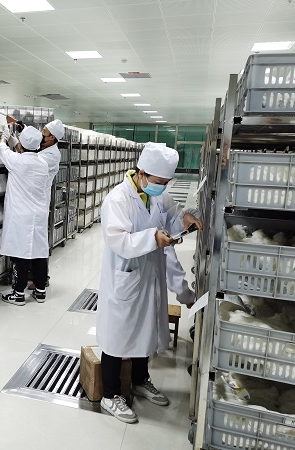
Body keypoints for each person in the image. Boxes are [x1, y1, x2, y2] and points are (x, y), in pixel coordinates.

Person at [96, 142, 203, 424]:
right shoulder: (117, 199)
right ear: (141, 173)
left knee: (144, 330)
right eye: (159, 181)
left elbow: (172, 213)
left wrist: (185, 218)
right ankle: (110, 395)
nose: (162, 187)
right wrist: (152, 238)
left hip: (148, 275)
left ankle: (140, 380)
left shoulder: (156, 194)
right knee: (117, 336)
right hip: (126, 275)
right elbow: (117, 240)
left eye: (166, 182)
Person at [0, 125, 51, 306]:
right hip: (39, 214)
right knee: (39, 252)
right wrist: (17, 139)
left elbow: (1, 148)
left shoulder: (17, 161)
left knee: (21, 253)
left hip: (21, 215)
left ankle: (18, 293)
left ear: (21, 145)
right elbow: (24, 151)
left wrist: (5, 136)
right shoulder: (43, 163)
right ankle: (40, 291)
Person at [25, 119, 64, 298]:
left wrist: (19, 147)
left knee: (39, 243)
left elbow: (30, 163)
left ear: (52, 138)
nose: (41, 135)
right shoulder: (45, 149)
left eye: (44, 133)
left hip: (39, 203)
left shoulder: (51, 155)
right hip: (34, 201)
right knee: (34, 241)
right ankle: (33, 275)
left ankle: (41, 279)